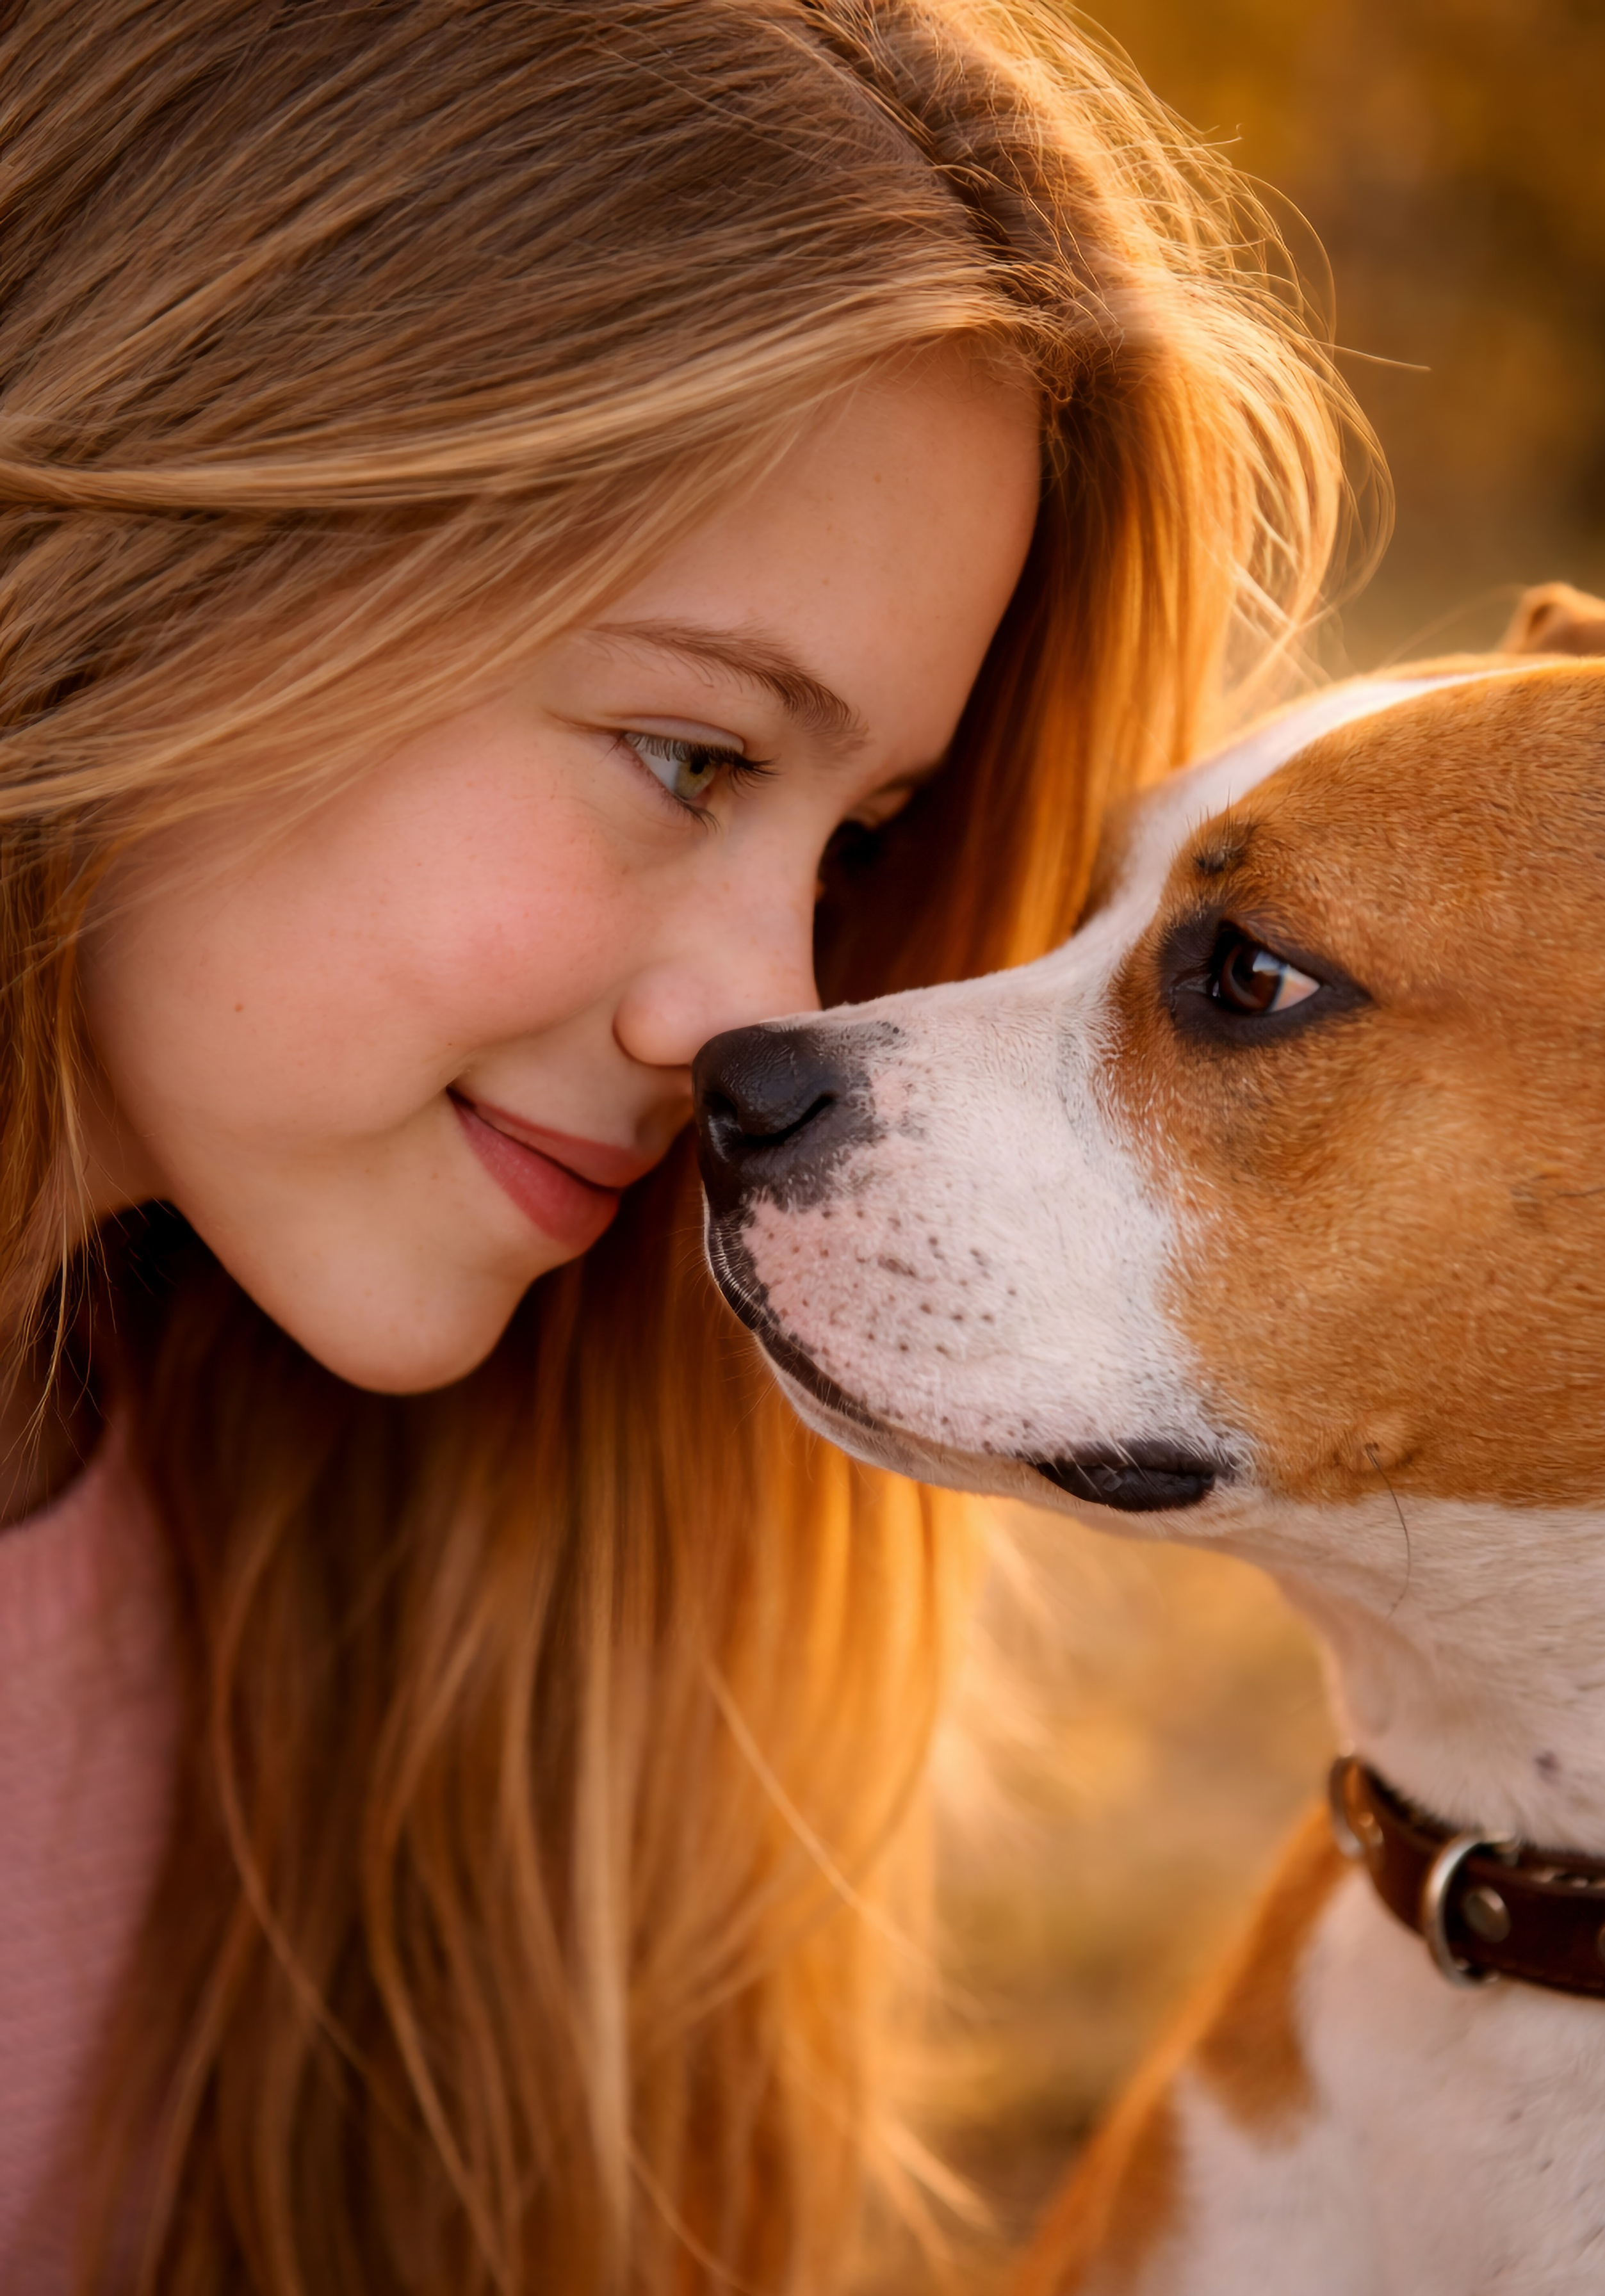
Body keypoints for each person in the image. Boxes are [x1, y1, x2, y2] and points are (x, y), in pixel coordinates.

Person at [0, 3, 1368, 2289]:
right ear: (167, 525)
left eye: (858, 844)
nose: (776, 1011)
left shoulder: (348, 1614)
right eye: (688, 753)